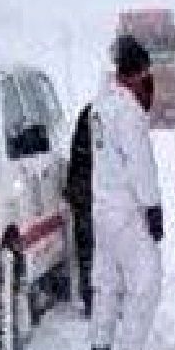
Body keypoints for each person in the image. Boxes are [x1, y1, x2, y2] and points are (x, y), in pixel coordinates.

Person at [88, 36, 166, 350]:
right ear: (137, 72)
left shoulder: (100, 107)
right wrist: (153, 207)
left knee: (107, 281)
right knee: (145, 281)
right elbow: (140, 164)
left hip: (102, 207)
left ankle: (100, 348)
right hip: (127, 209)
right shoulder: (129, 113)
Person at [64, 101, 95, 316]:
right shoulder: (103, 114)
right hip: (92, 192)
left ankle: (93, 298)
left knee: (88, 249)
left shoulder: (91, 113)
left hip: (85, 191)